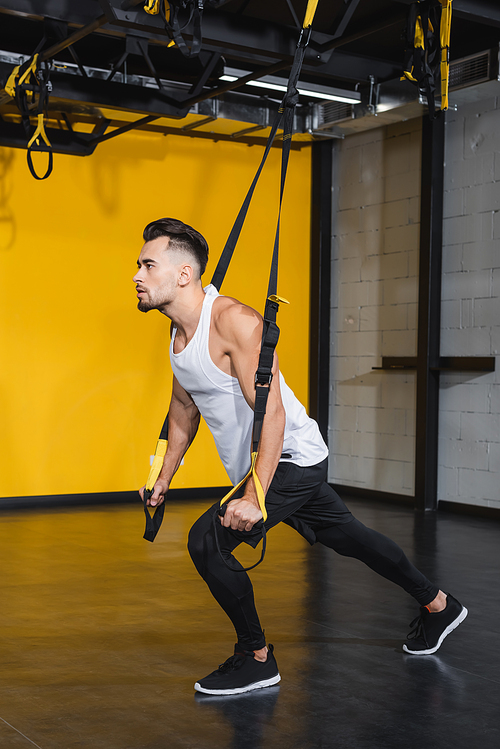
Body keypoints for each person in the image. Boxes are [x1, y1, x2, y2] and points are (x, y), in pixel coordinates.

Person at [134, 217, 467, 696]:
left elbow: (271, 417)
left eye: (148, 264)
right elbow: (184, 407)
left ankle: (256, 657)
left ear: (184, 274)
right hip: (270, 464)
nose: (137, 275)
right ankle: (438, 604)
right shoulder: (178, 336)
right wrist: (163, 476)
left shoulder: (234, 321)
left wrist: (254, 495)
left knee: (208, 541)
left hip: (291, 455)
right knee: (352, 539)